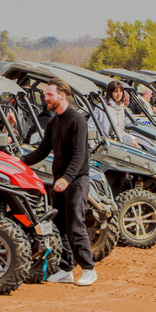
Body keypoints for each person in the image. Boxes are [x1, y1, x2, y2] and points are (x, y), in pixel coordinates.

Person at [19, 78, 97, 286]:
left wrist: (67, 178)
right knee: (60, 225)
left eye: (49, 95)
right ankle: (66, 269)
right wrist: (19, 162)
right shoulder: (53, 122)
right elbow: (43, 150)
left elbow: (80, 155)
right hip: (59, 181)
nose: (46, 99)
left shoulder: (77, 120)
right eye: (46, 95)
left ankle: (89, 268)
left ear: (63, 95)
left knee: (75, 224)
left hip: (76, 180)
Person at [88, 80, 139, 148]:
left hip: (116, 146)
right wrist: (94, 145)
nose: (119, 94)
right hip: (103, 147)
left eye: (120, 91)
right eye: (115, 91)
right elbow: (90, 127)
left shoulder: (121, 108)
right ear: (110, 93)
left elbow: (119, 132)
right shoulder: (102, 107)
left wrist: (131, 139)